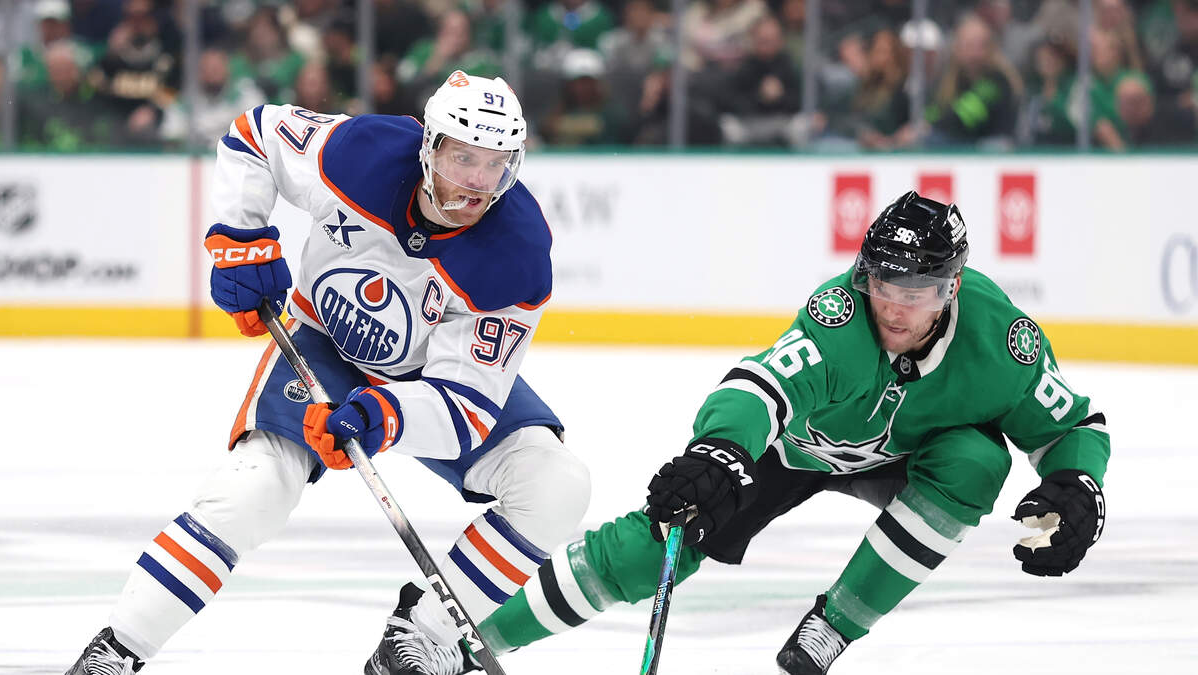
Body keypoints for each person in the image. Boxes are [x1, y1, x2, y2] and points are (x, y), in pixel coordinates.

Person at [416, 191, 1111, 673]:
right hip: (794, 447)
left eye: (916, 292)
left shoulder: (1003, 344)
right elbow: (759, 386)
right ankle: (474, 641)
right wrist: (719, 451)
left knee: (977, 460)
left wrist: (1078, 482)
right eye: (882, 284)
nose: (894, 309)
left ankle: (832, 628)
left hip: (907, 455)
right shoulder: (841, 317)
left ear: (952, 288)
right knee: (658, 543)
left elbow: (1071, 424)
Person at [64, 70, 591, 675]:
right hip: (324, 344)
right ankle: (118, 648)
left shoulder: (516, 254)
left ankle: (421, 638)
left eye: (495, 163)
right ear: (429, 146)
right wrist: (241, 240)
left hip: (427, 383)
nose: (477, 181)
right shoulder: (361, 154)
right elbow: (255, 135)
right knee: (255, 489)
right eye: (463, 157)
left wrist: (385, 415)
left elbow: (465, 406)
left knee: (556, 485)